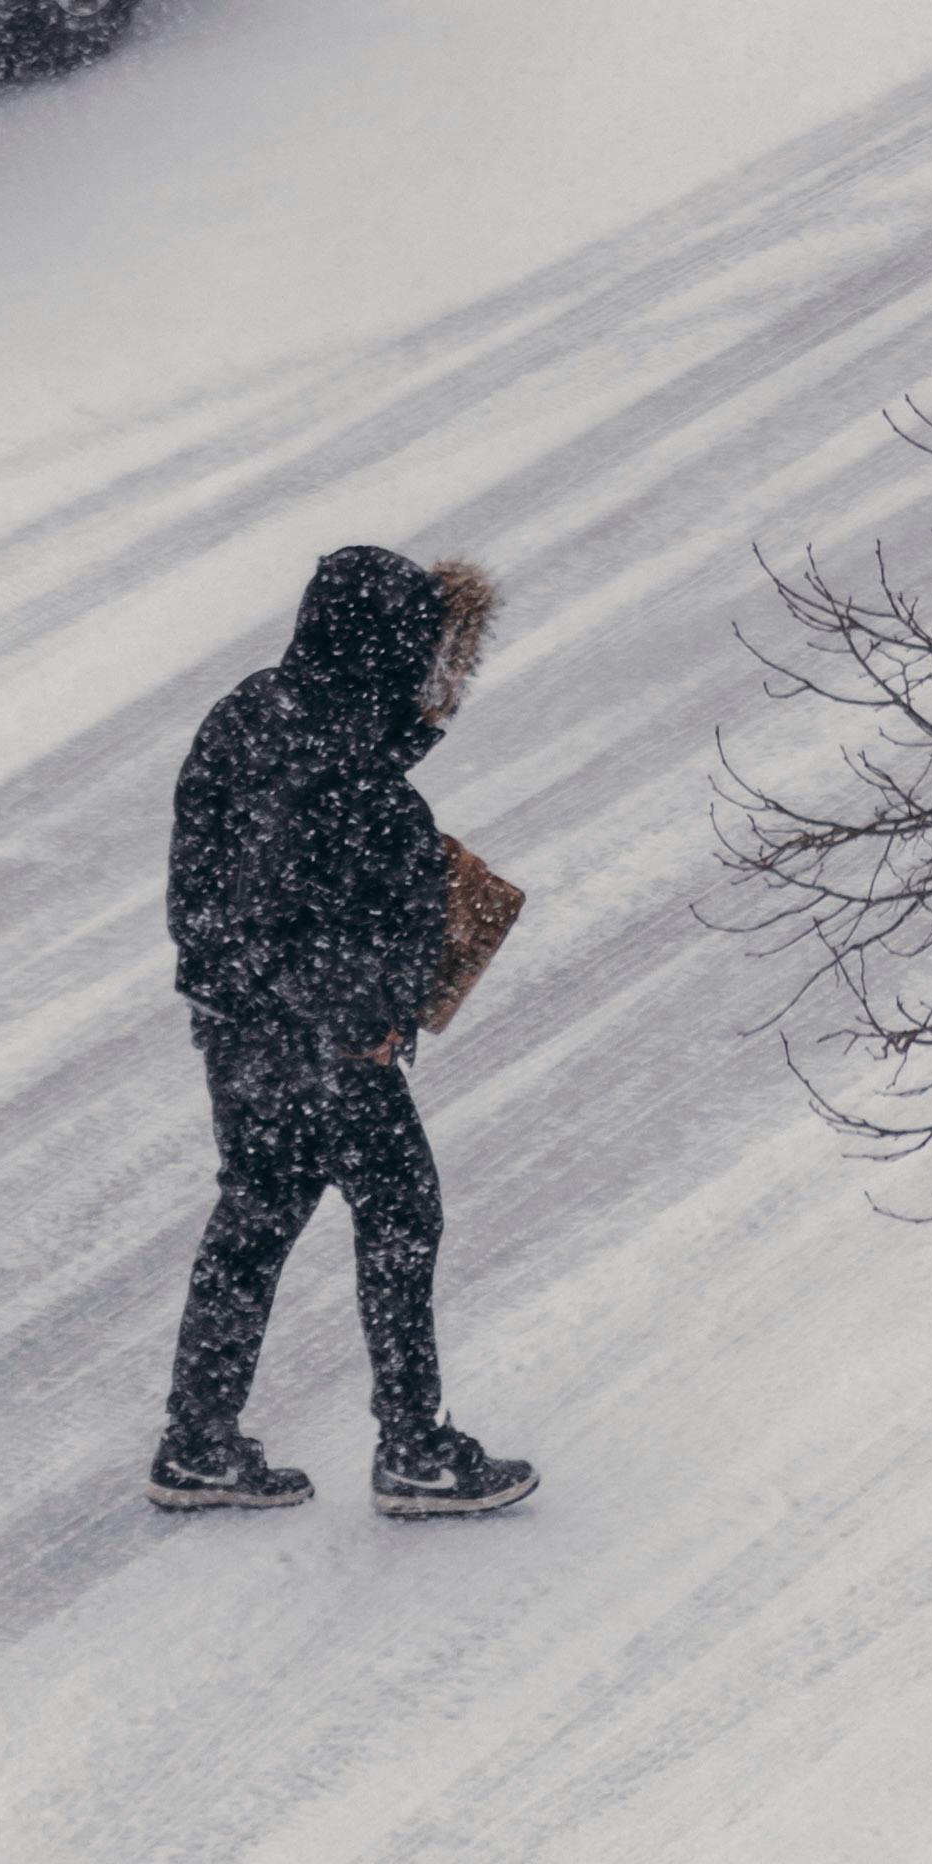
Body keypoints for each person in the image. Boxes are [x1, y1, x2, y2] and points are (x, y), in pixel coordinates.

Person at [150, 542, 537, 1525]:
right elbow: (342, 916)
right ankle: (415, 1448)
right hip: (322, 1038)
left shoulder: (250, 715)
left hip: (234, 1024)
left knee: (260, 1206)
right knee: (401, 1212)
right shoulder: (358, 780)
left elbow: (211, 879)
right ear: (387, 651)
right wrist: (373, 1020)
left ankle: (197, 1440)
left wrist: (233, 990)